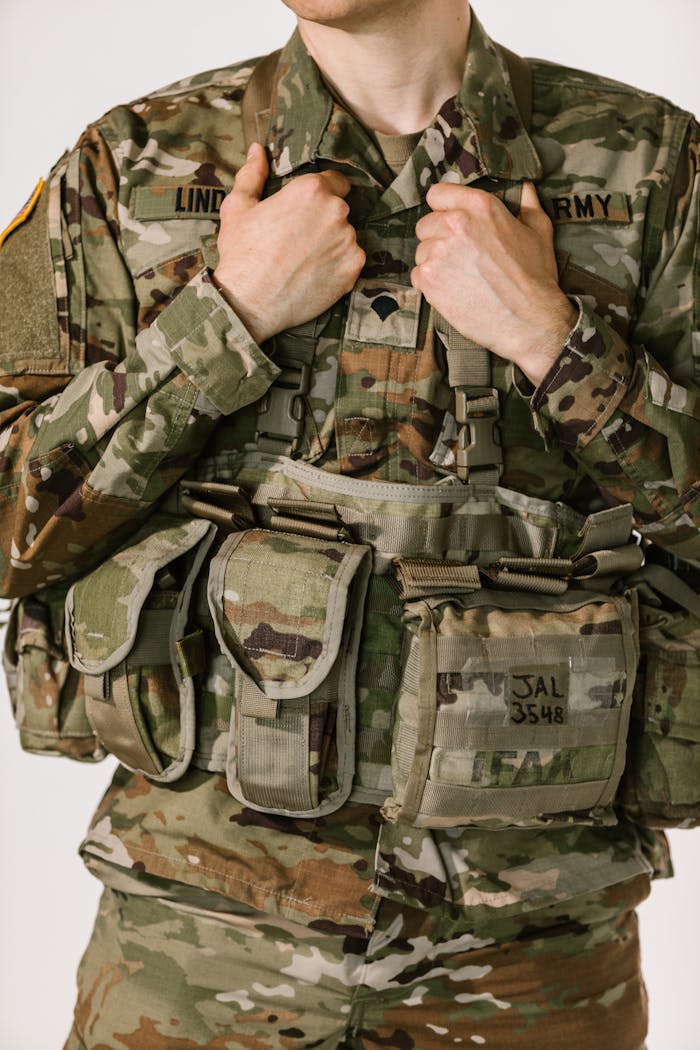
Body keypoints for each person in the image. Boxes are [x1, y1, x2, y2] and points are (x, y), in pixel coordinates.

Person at [0, 1, 698, 1047]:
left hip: (532, 962)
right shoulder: (128, 166)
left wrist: (553, 341)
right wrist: (222, 316)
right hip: (193, 953)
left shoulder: (656, 170)